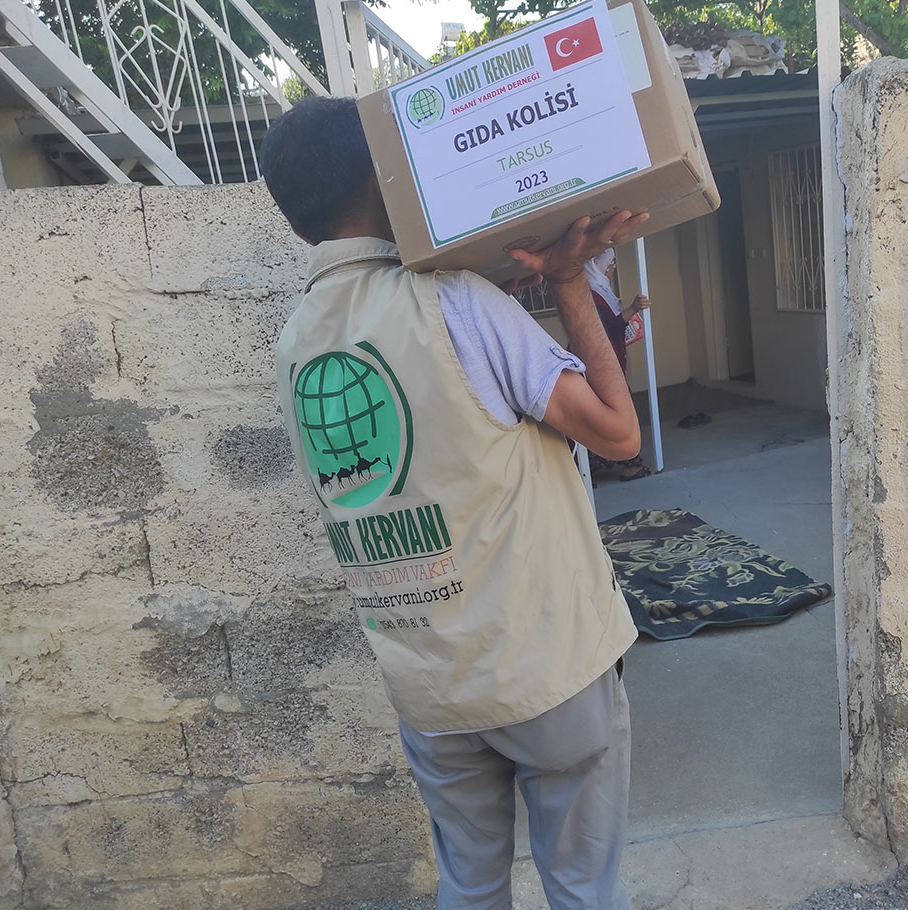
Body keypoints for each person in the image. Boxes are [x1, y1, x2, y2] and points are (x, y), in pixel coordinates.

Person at [260, 96, 645, 910]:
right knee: (583, 889)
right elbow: (617, 433)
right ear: (387, 178)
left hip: (429, 686)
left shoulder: (295, 347)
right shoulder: (455, 300)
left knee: (469, 887)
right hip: (545, 664)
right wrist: (569, 282)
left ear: (297, 223)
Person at [578, 249, 651, 482]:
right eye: (610, 266)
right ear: (597, 267)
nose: (612, 270)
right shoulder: (591, 296)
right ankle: (627, 464)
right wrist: (633, 308)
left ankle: (597, 465)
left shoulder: (600, 292)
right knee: (618, 413)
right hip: (599, 368)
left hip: (603, 365)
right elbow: (607, 329)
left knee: (605, 414)